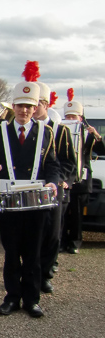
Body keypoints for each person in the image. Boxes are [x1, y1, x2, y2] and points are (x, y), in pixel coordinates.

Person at [0, 62, 60, 318]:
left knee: (32, 253)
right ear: (13, 106)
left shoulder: (45, 132)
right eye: (20, 105)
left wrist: (52, 182)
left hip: (36, 204)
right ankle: (11, 297)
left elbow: (53, 165)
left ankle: (32, 299)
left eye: (30, 106)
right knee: (11, 252)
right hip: (8, 203)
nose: (25, 110)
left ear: (36, 107)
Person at [34, 83, 76, 294]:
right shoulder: (27, 129)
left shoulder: (60, 131)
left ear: (45, 104)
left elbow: (69, 162)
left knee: (52, 234)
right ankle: (32, 272)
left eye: (37, 104)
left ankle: (45, 274)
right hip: (31, 190)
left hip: (53, 190)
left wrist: (60, 179)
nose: (32, 109)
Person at [61, 90, 105, 254]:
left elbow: (101, 150)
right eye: (69, 116)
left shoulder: (88, 134)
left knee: (77, 213)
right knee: (63, 212)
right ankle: (62, 241)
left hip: (82, 179)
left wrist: (97, 136)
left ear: (81, 118)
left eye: (75, 116)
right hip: (66, 178)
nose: (72, 119)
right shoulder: (61, 133)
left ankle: (75, 242)